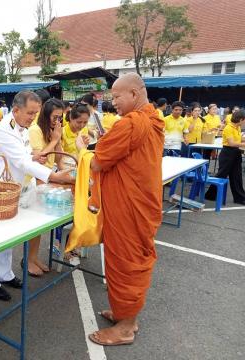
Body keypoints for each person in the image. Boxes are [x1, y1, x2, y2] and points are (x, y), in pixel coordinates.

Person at [86, 73, 164, 346]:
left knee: (125, 262)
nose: (113, 103)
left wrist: (104, 144)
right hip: (141, 201)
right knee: (130, 260)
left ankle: (127, 326)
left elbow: (97, 162)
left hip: (130, 207)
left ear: (134, 93)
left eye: (117, 97)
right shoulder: (151, 119)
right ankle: (124, 314)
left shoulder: (132, 124)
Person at [0, 90, 74, 301]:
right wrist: (55, 176)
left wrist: (35, 156)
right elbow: (22, 161)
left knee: (8, 233)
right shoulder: (5, 129)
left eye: (35, 113)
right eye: (30, 113)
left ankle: (5, 274)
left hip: (14, 187)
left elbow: (25, 156)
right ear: (16, 110)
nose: (33, 118)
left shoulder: (21, 127)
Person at [27, 98, 66, 276]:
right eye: (55, 116)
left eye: (60, 117)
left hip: (49, 180)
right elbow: (39, 157)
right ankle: (28, 260)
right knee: (33, 225)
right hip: (35, 181)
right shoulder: (35, 130)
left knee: (41, 225)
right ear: (46, 114)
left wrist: (58, 138)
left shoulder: (55, 130)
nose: (57, 120)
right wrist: (54, 139)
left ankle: (34, 258)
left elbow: (59, 158)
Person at [205, 110, 245, 205]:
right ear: (240, 119)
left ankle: (240, 197)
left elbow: (238, 139)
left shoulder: (237, 127)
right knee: (221, 175)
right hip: (228, 153)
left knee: (237, 176)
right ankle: (210, 195)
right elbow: (231, 143)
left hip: (235, 152)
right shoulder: (228, 128)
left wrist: (243, 140)